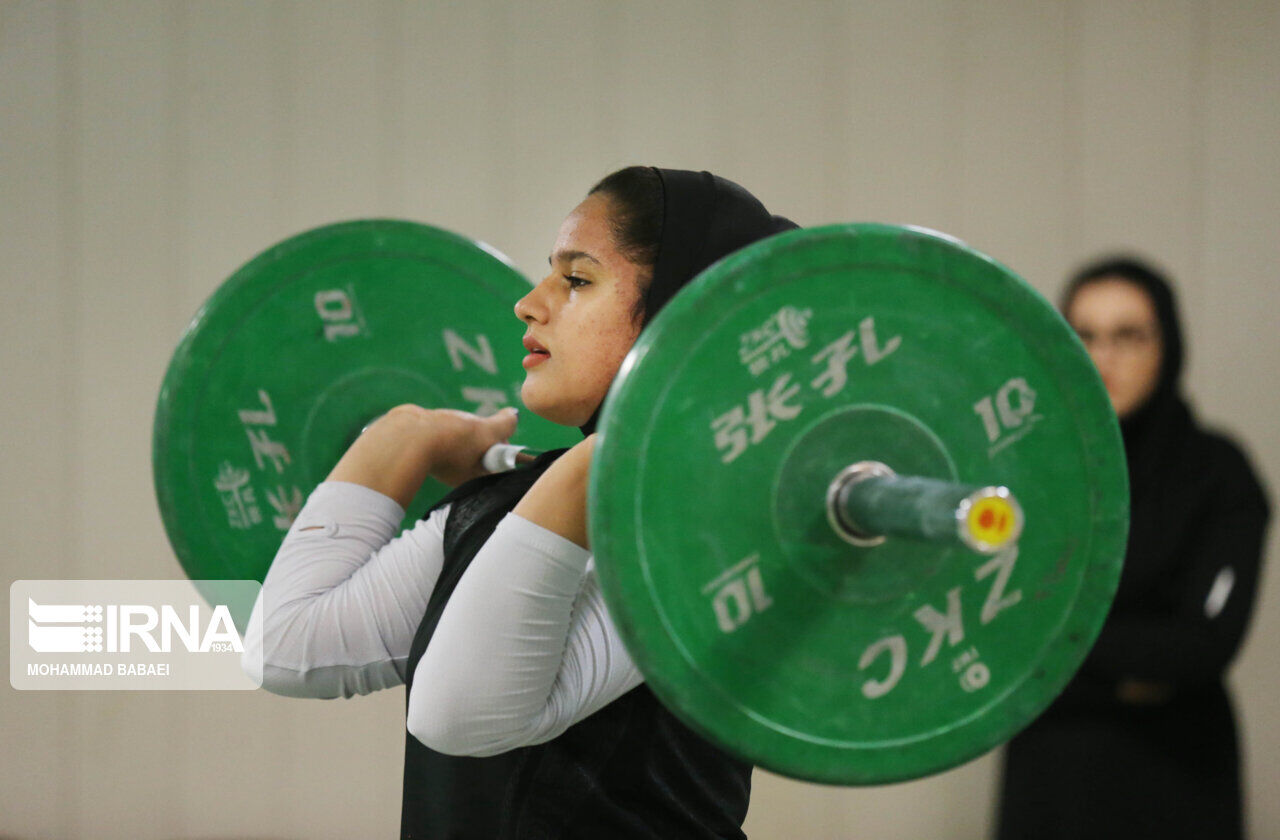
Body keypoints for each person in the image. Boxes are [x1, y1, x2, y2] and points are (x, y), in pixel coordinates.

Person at [242, 166, 797, 838]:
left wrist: (648, 419)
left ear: (681, 312)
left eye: (578, 279)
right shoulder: (524, 495)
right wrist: (405, 435)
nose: (529, 303)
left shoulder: (714, 521)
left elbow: (458, 718)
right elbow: (286, 644)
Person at [995, 257, 1271, 839]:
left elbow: (1204, 646)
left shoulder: (1216, 473)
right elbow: (998, 630)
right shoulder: (1035, 471)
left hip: (1175, 774)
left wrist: (1057, 659)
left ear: (1167, 344)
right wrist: (1130, 671)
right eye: (1084, 336)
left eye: (1129, 335)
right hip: (1051, 776)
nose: (1104, 358)